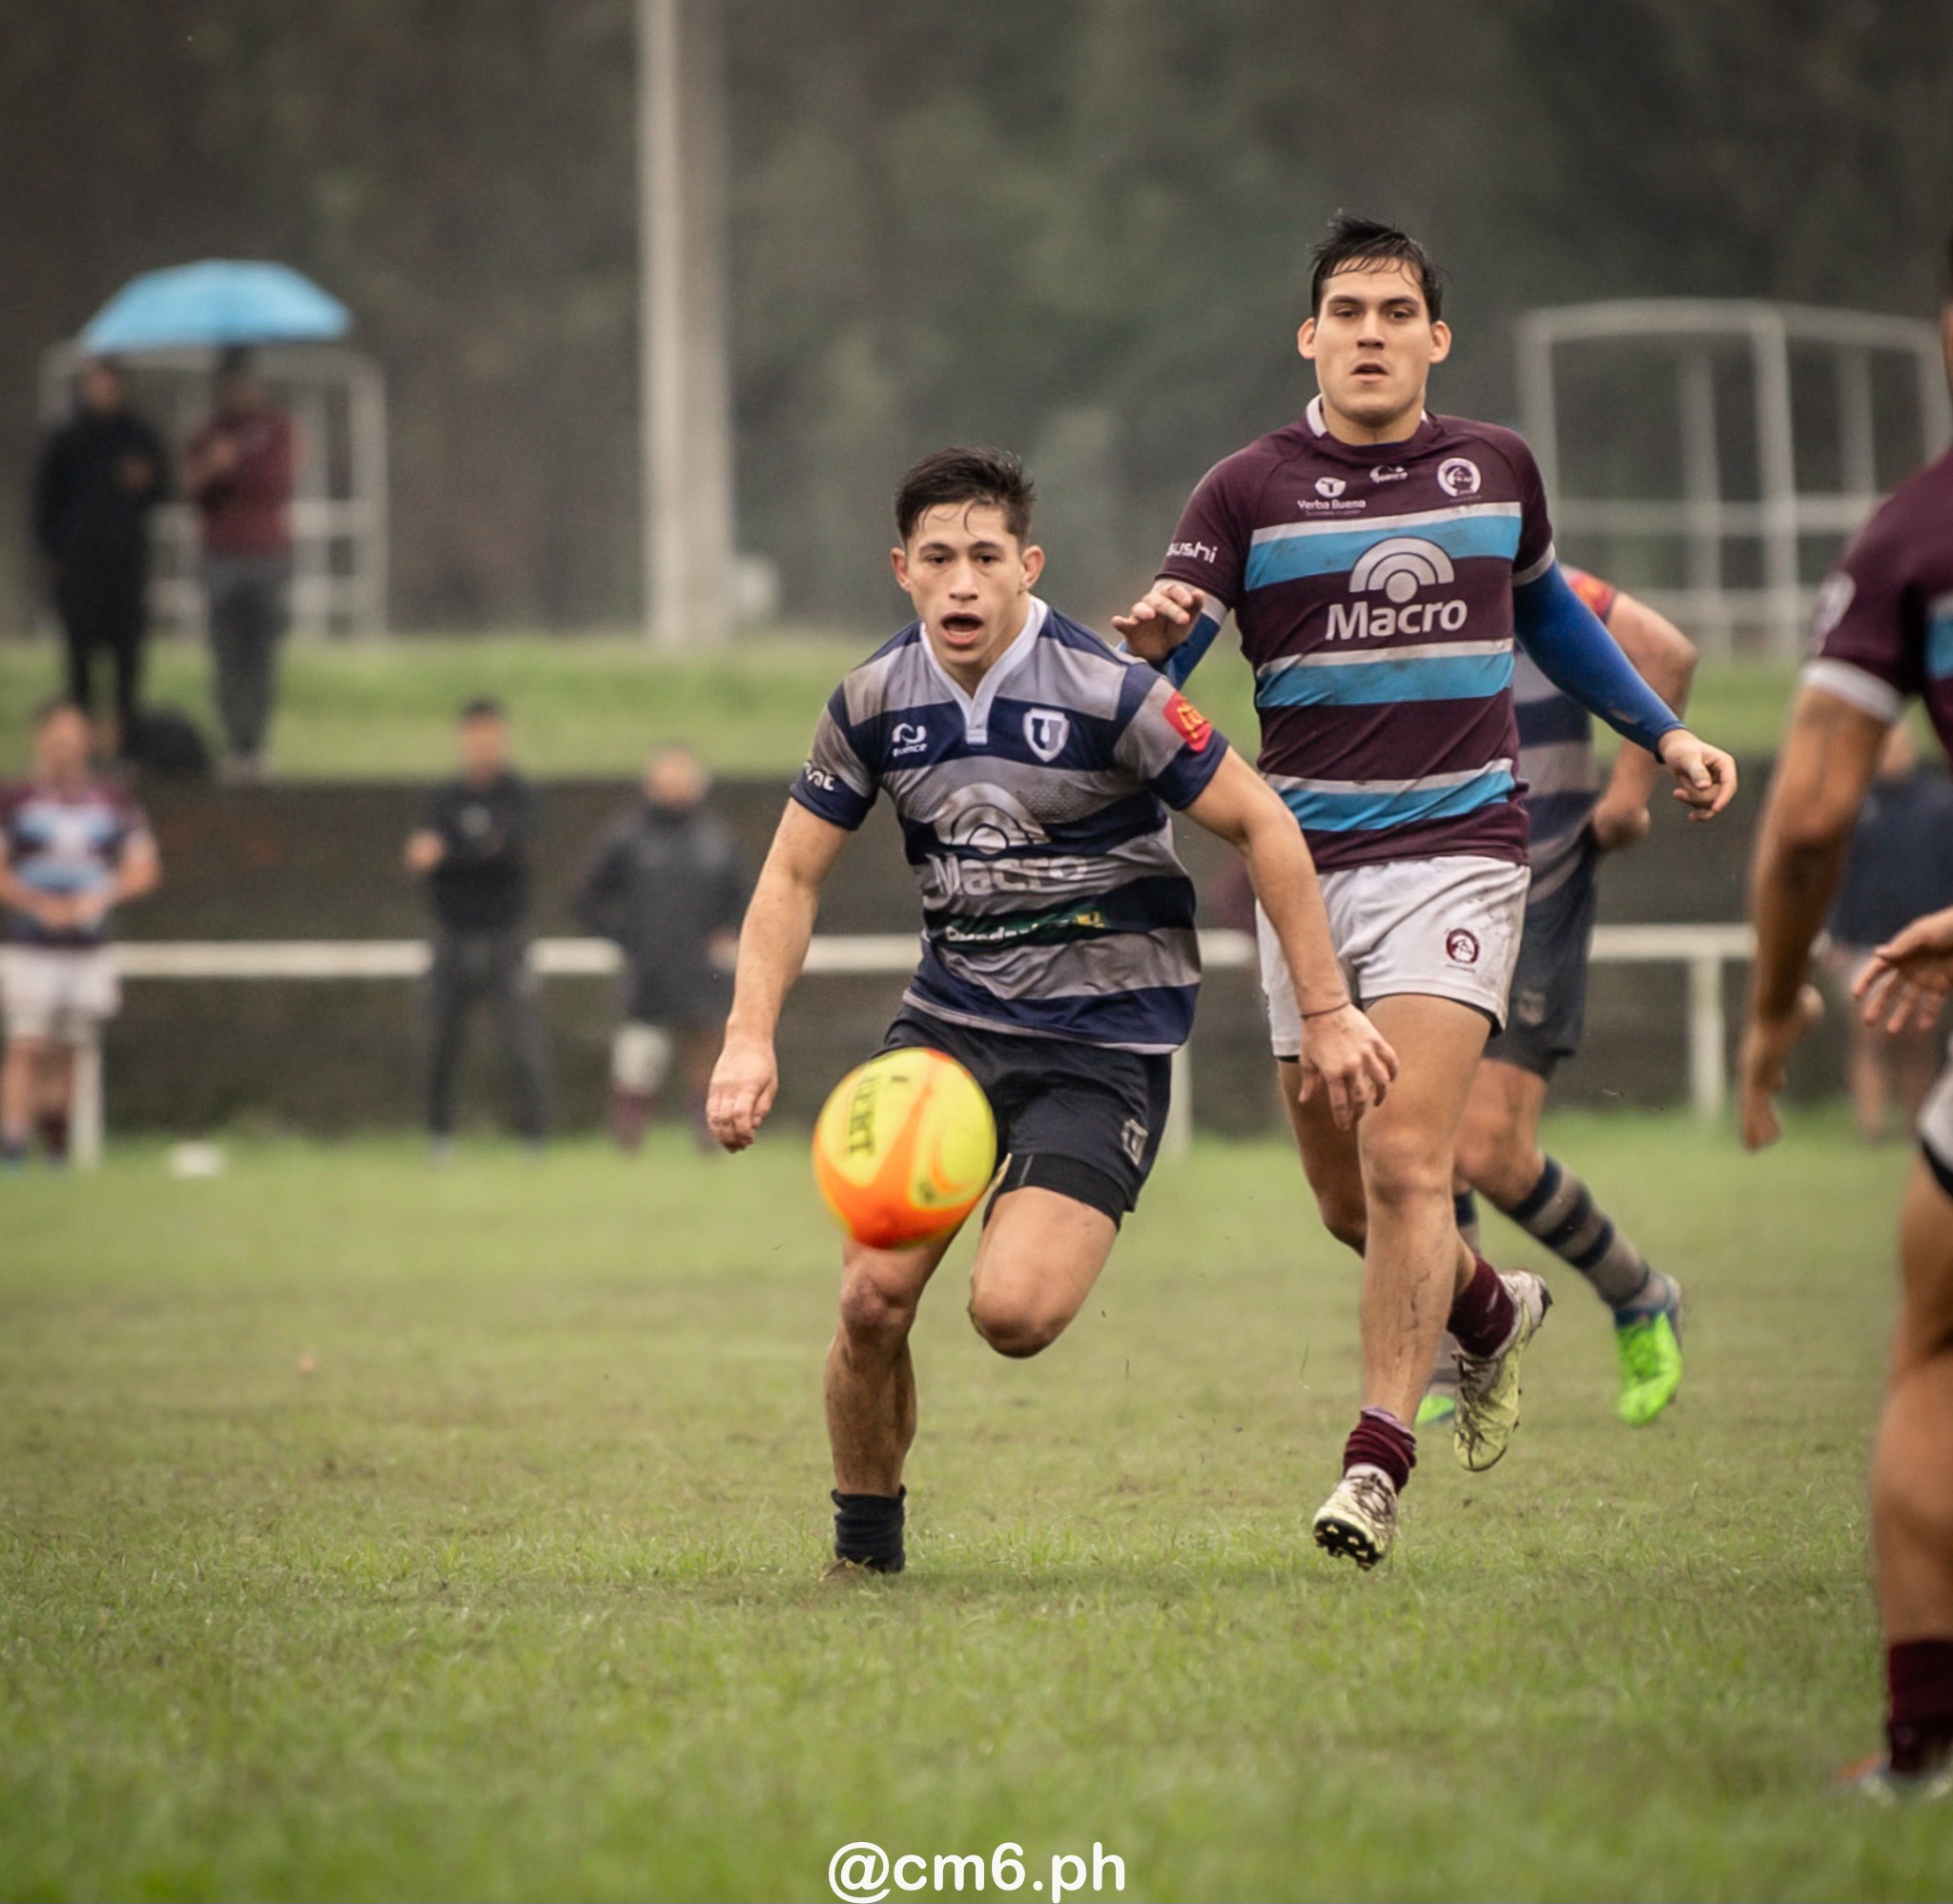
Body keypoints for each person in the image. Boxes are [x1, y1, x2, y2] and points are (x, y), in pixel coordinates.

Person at [1115, 215, 1737, 1567]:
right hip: (1304, 872)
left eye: (1398, 311)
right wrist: (1155, 651)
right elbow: (1174, 673)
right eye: (1348, 311)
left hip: (1462, 850)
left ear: (1435, 338)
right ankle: (1492, 1313)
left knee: (1412, 1162)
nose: (1373, 333)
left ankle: (1375, 1465)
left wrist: (1662, 734)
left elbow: (1553, 617)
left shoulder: (1495, 466)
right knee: (1348, 1200)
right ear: (1310, 336)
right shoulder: (1242, 491)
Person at [707, 445, 1397, 1580]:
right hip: (949, 1028)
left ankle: (1029, 1205)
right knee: (872, 1297)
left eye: (986, 556)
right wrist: (746, 1037)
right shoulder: (873, 699)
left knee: (1013, 1314)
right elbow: (789, 878)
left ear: (1029, 565)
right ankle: (862, 1555)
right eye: (939, 559)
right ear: (902, 570)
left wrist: (1325, 1009)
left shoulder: (1110, 690)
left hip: (1099, 1046)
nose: (963, 581)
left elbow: (1265, 823)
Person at [1739, 231, 1953, 1800]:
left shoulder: (1912, 541)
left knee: (1932, 1352)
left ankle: (1921, 1747)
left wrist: (1766, 1013)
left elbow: (1806, 816)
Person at [1421, 571, 1696, 1429]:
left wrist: (1626, 795)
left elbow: (1667, 650)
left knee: (1490, 1147)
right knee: (1418, 1130)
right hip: (1421, 877)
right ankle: (1450, 1354)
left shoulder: (1516, 565)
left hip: (1537, 871)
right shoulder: (1365, 569)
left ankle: (1641, 1293)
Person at [0, 702, 161, 1165]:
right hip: (30, 945)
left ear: (88, 740)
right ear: (39, 738)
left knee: (70, 1050)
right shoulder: (14, 800)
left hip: (87, 948)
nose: (64, 743)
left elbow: (143, 868)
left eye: (73, 734)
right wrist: (38, 905)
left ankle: (55, 1152)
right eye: (56, 733)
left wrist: (97, 900)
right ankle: (11, 1150)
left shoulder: (114, 801)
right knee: (26, 1043)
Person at [575, 746, 748, 1150]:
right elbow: (585, 897)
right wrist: (626, 937)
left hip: (702, 970)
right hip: (649, 972)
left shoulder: (715, 839)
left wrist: (728, 932)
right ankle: (629, 1134)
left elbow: (745, 896)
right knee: (637, 1061)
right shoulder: (628, 837)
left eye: (683, 779)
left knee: (705, 1052)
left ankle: (710, 1134)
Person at [405, 699, 550, 1156]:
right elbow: (421, 855)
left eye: (490, 738)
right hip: (451, 934)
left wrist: (450, 855)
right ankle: (438, 1136)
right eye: (474, 737)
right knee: (440, 1041)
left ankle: (535, 1137)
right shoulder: (444, 798)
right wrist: (466, 854)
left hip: (505, 934)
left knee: (522, 1041)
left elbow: (507, 854)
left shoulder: (518, 795)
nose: (482, 747)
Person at [31, 357, 169, 758]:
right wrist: (51, 555)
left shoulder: (139, 436)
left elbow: (164, 489)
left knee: (127, 664)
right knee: (79, 665)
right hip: (79, 571)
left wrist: (145, 482)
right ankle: (80, 748)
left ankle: (128, 750)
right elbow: (45, 503)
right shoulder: (67, 438)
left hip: (125, 570)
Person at [1823, 724, 1953, 1142]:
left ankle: (1921, 1129)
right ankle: (1872, 1128)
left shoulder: (1939, 805)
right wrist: (1837, 936)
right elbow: (1841, 876)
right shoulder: (1858, 803)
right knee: (1870, 1033)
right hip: (1868, 944)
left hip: (1928, 947)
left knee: (1919, 1039)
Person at [184, 347, 296, 781]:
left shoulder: (276, 429)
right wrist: (213, 466)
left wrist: (237, 466)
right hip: (221, 556)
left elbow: (276, 483)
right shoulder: (206, 434)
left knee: (262, 653)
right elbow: (192, 492)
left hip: (265, 553)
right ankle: (234, 745)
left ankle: (257, 745)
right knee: (226, 654)